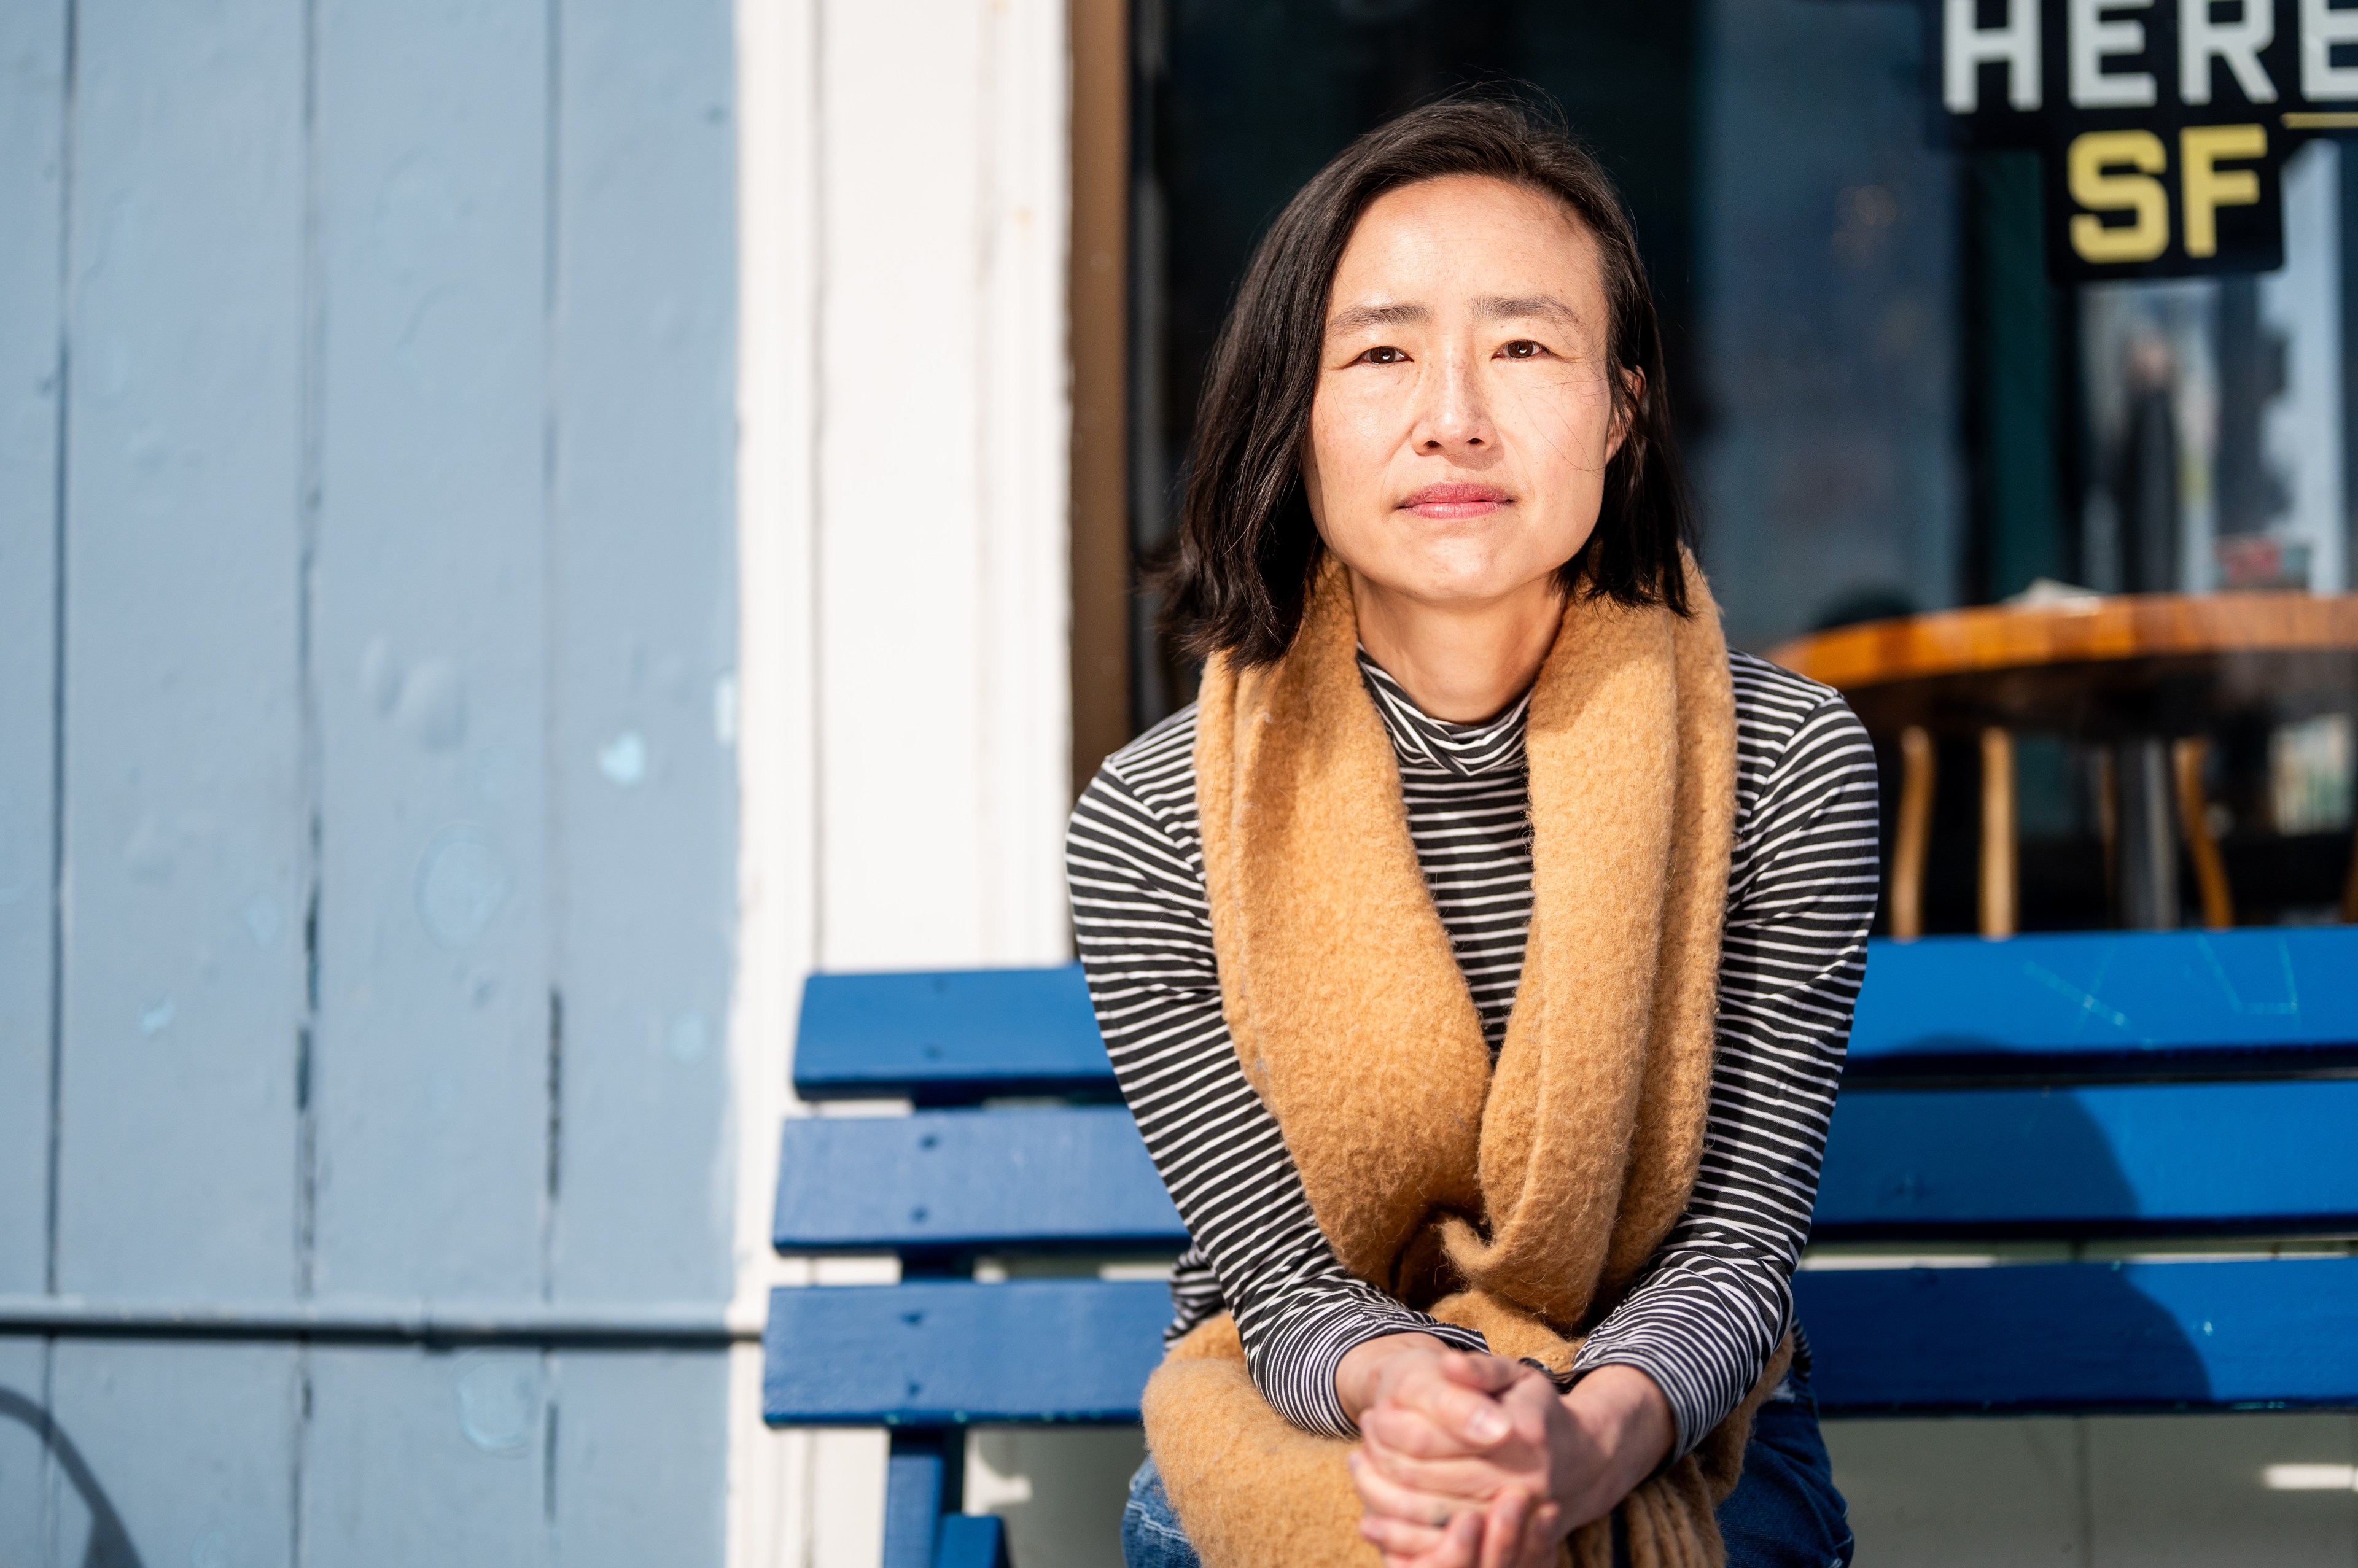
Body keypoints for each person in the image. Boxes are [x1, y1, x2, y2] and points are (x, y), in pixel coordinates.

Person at [1067, 98, 1874, 1568]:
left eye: (1523, 346)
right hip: (1307, 1399)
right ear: (1292, 416)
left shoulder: (1786, 766)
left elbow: (1738, 1254)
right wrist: (1419, 1394)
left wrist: (1582, 1436)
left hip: (1677, 1410)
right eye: (1379, 352)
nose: (1454, 414)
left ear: (1622, 411)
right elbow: (1278, 1279)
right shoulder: (1148, 823)